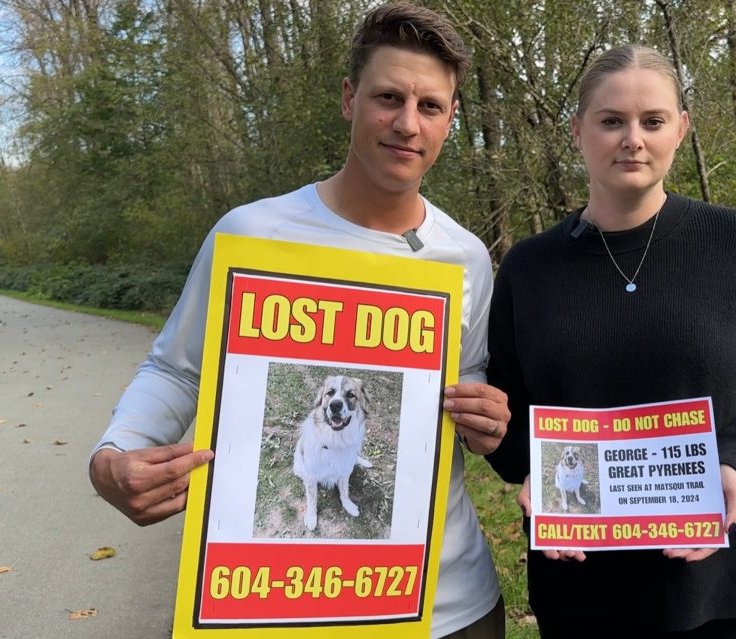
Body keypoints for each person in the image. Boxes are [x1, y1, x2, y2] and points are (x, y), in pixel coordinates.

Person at [88, 4, 509, 638]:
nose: (406, 124)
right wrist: (113, 454)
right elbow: (175, 371)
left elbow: (467, 388)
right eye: (387, 97)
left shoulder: (468, 256)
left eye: (430, 107)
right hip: (278, 609)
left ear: (450, 119)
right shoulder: (252, 233)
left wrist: (486, 418)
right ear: (349, 98)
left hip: (445, 606)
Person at [484, 44, 736, 639]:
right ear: (577, 132)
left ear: (681, 129)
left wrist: (733, 462)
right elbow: (511, 422)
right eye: (611, 120)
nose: (632, 139)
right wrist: (521, 461)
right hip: (583, 582)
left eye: (653, 121)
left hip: (725, 577)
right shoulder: (528, 269)